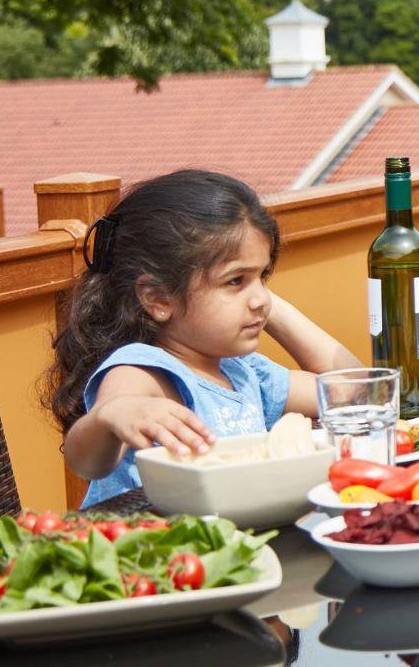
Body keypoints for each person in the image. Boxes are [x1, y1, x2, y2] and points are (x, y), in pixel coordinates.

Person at [45, 170, 362, 507]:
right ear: (159, 299)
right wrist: (111, 415)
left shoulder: (244, 372)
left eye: (263, 276)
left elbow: (355, 393)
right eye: (235, 281)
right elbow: (86, 461)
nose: (260, 299)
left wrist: (271, 308)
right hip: (150, 550)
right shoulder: (142, 371)